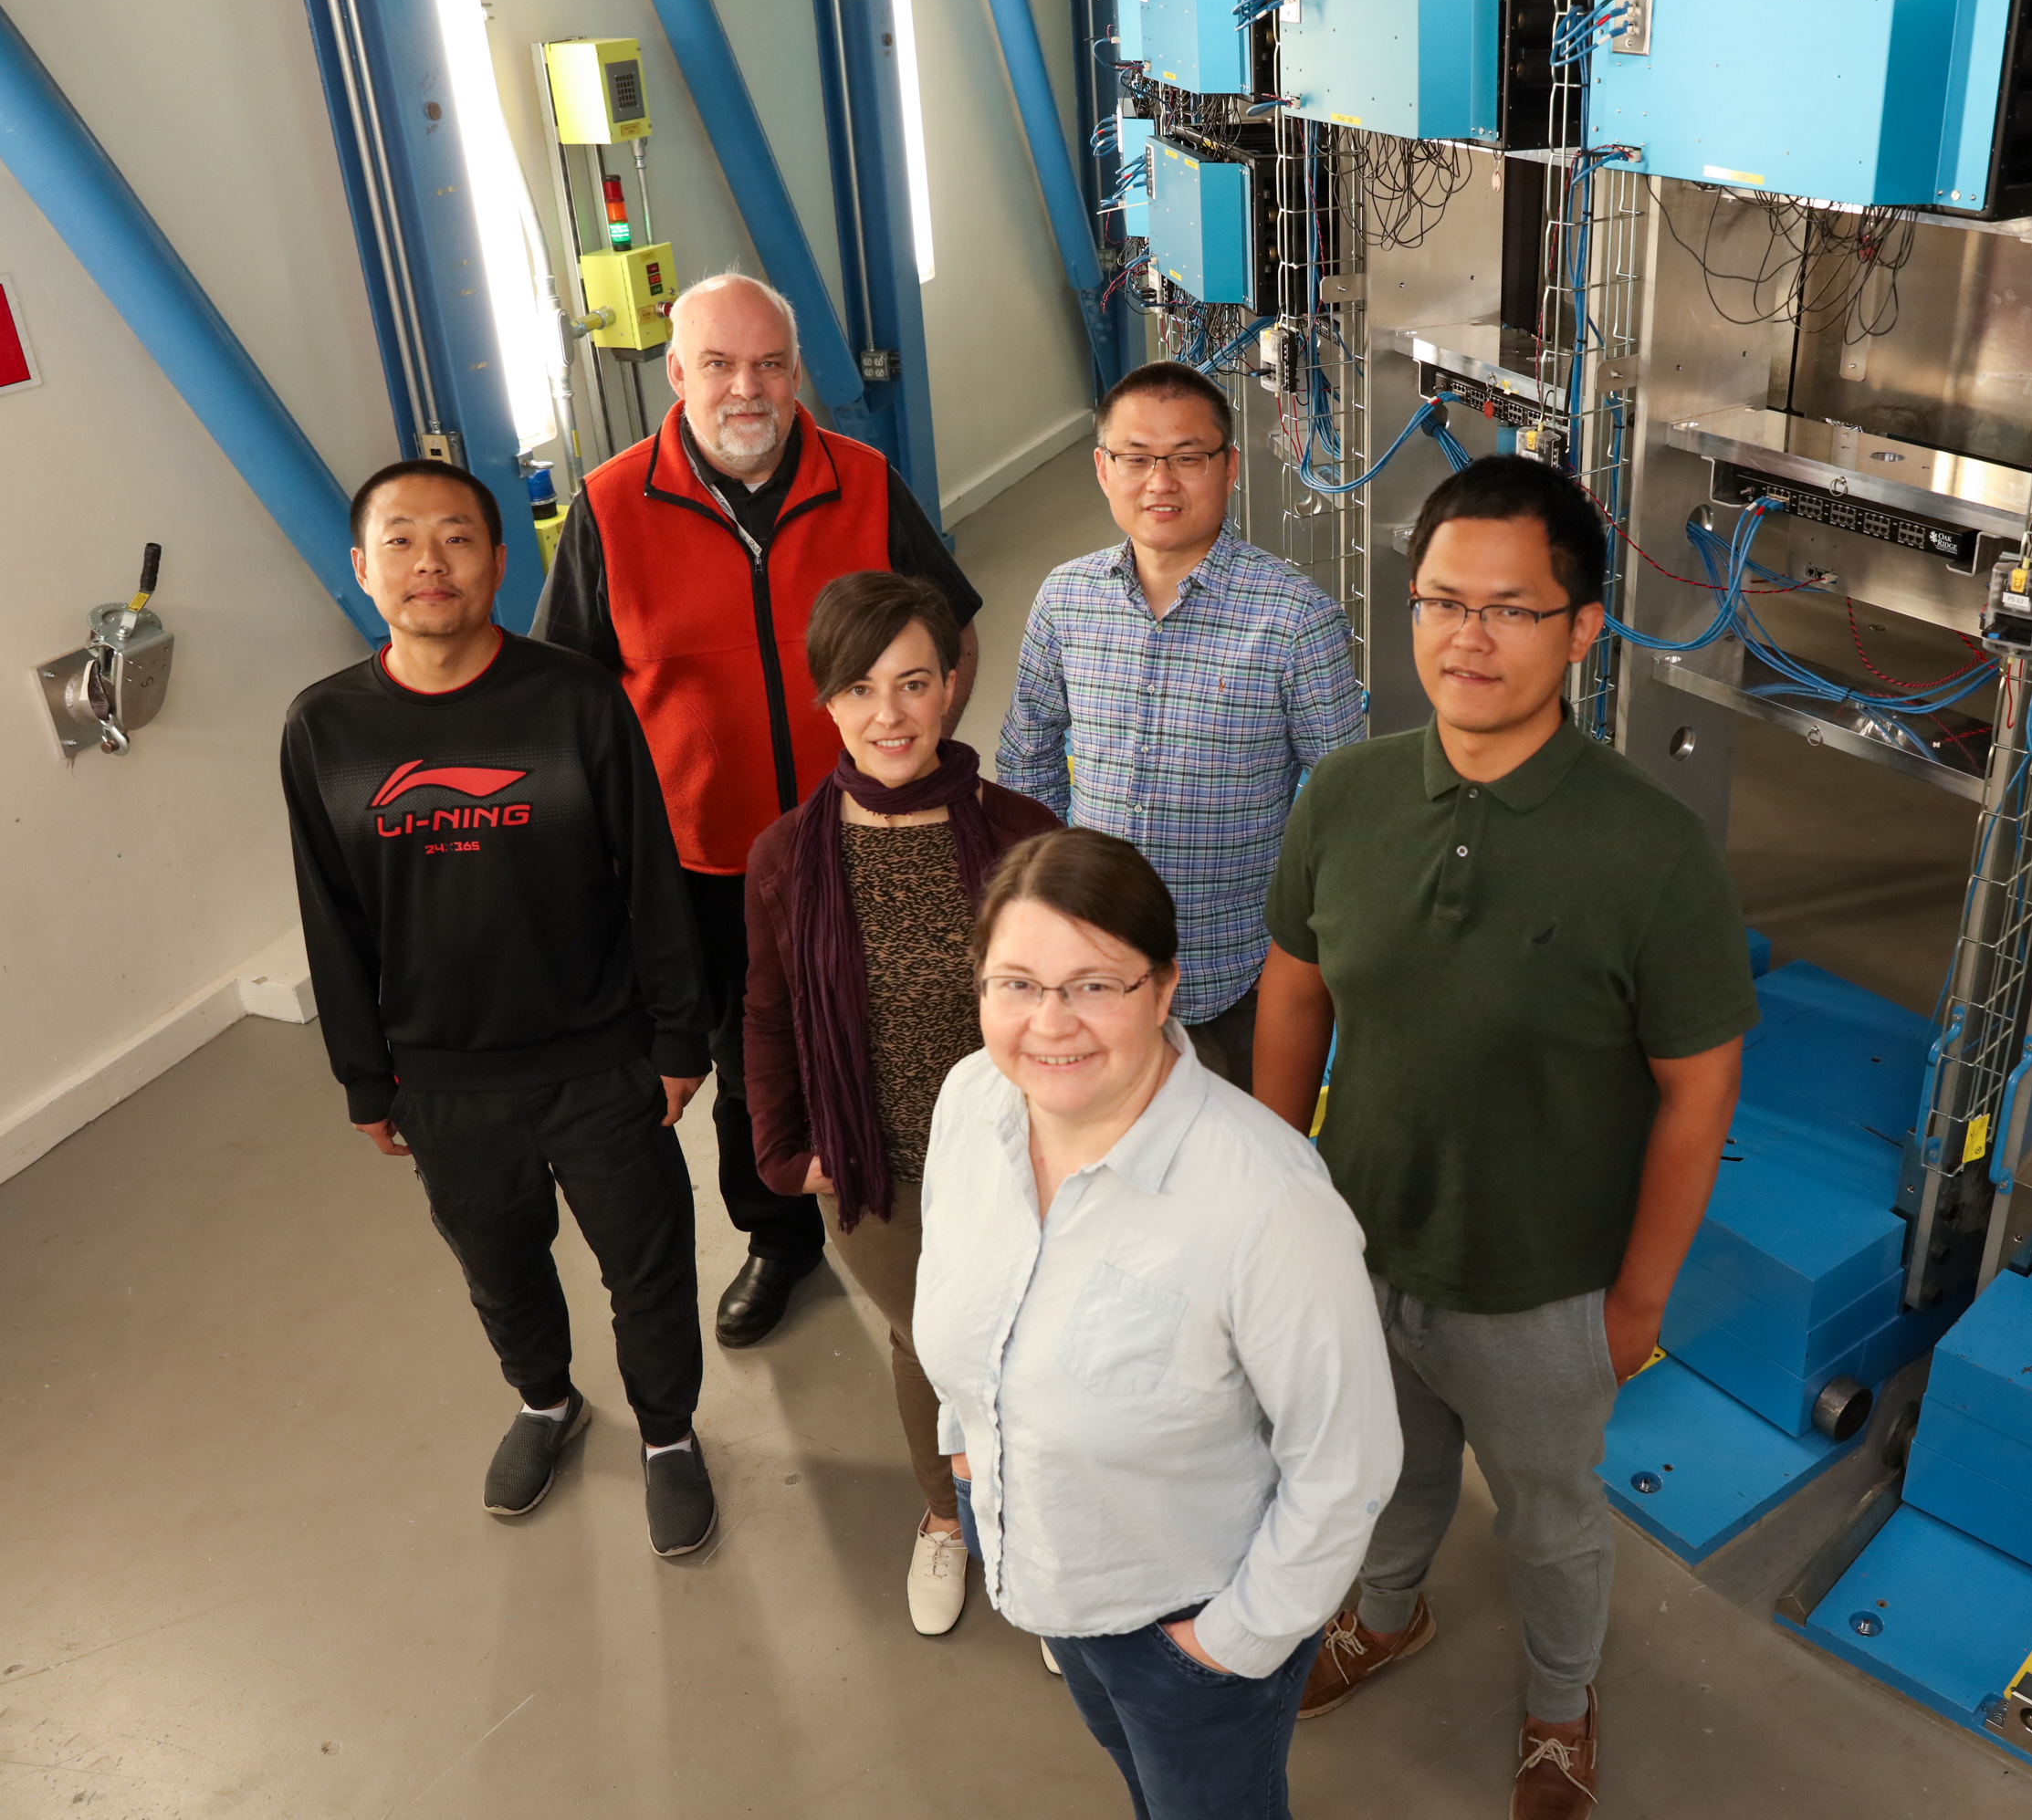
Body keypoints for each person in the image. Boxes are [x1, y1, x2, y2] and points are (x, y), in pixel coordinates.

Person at [1252, 457, 1756, 1820]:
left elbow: (1700, 1090)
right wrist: (1277, 1202)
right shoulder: (1345, 795)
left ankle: (1559, 1701)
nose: (1465, 638)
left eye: (1510, 609)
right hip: (1363, 1243)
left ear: (1582, 628)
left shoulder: (1651, 853)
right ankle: (1389, 1611)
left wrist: (1636, 1300)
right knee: (1384, 1467)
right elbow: (1295, 995)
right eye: (1439, 601)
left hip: (1544, 1283)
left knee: (1547, 1517)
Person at [537, 271, 987, 1350]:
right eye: (721, 364)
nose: (748, 388)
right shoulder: (609, 506)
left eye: (771, 364)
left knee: (905, 1021)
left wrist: (910, 761)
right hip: (706, 859)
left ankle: (938, 1211)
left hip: (862, 833)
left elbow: (954, 631)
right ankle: (780, 1237)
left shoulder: (864, 481)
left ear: (795, 374)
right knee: (754, 1059)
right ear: (676, 372)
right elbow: (569, 699)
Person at [914, 829, 1401, 1820]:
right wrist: (964, 1446)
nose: (1051, 1023)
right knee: (1142, 1783)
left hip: (1187, 1621)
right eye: (1017, 983)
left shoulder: (1265, 1200)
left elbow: (1348, 1459)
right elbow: (960, 1285)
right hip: (1041, 1561)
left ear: (1164, 987)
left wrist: (1229, 1645)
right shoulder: (973, 1100)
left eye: (1095, 984)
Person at [281, 460, 718, 1556]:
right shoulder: (325, 728)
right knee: (500, 1268)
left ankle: (668, 1433)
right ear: (362, 566)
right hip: (444, 1077)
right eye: (401, 539)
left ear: (498, 559)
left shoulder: (573, 698)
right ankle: (545, 1400)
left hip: (601, 1058)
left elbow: (650, 874)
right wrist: (364, 1075)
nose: (429, 562)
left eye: (457, 537)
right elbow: (329, 916)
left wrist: (678, 1032)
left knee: (648, 1264)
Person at [742, 571, 1060, 1636]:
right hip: (876, 1164)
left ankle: (1038, 1535)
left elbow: (1072, 1000)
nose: (891, 713)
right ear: (827, 698)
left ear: (951, 685)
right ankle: (948, 1513)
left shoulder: (1022, 831)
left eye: (915, 682)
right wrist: (787, 1151)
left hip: (1021, 1157)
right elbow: (768, 1013)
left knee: (1031, 1342)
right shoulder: (787, 855)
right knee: (930, 1343)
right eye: (861, 687)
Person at [996, 361, 1366, 1091]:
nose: (1159, 482)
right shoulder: (1065, 600)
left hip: (1236, 977)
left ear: (1229, 468)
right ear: (1103, 469)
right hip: (1092, 969)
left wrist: (1298, 950)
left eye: (1187, 457)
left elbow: (1345, 805)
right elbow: (1027, 760)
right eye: (1136, 458)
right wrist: (1052, 906)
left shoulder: (1295, 619)